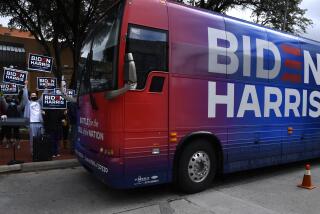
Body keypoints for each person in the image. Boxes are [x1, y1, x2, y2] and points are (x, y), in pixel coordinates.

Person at [21, 81, 47, 154]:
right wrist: (25, 85)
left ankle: (40, 151)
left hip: (40, 123)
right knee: (33, 138)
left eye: (35, 95)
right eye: (32, 95)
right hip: (32, 124)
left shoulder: (39, 102)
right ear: (30, 97)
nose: (34, 96)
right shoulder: (28, 103)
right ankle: (33, 152)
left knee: (40, 137)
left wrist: (45, 87)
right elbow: (25, 96)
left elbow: (43, 96)